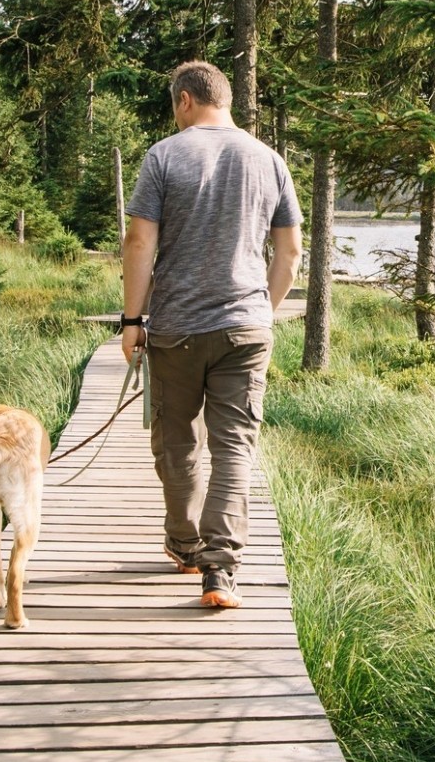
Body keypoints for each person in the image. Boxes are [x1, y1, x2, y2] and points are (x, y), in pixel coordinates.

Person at [120, 61, 302, 609]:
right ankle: (220, 571)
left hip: (176, 329)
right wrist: (259, 312)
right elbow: (291, 254)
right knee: (234, 448)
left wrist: (131, 321)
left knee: (176, 440)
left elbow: (138, 244)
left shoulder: (164, 156)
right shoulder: (271, 161)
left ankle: (183, 541)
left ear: (184, 101)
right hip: (246, 328)